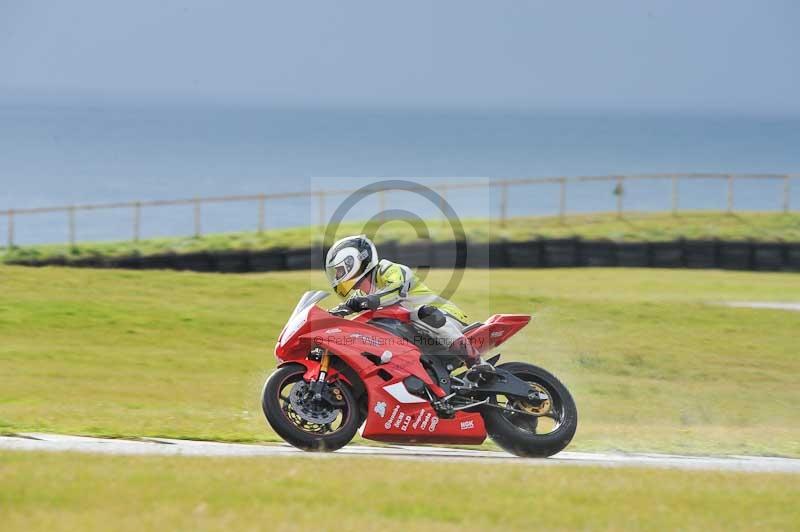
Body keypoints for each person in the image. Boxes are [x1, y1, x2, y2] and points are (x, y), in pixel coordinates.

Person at [324, 234, 493, 373]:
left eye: (338, 270)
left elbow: (396, 290)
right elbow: (345, 309)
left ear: (353, 262)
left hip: (443, 317)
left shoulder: (388, 270)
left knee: (422, 314)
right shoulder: (362, 295)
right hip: (418, 335)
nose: (337, 276)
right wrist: (326, 317)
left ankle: (477, 362)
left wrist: (365, 302)